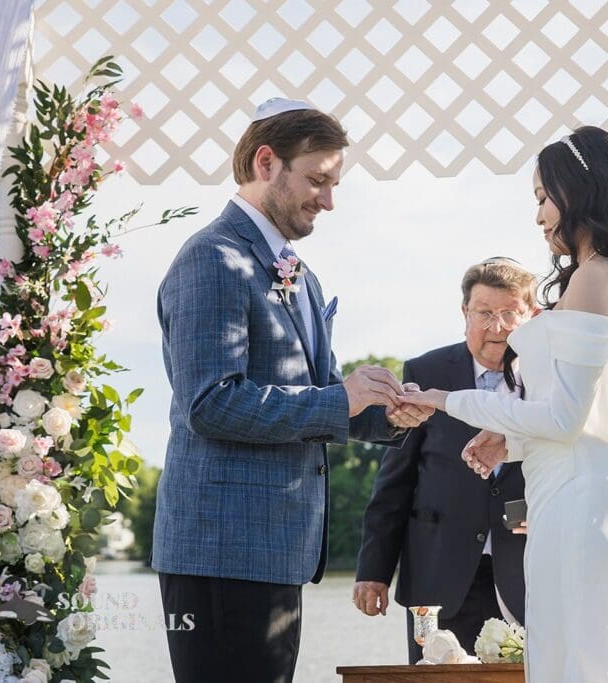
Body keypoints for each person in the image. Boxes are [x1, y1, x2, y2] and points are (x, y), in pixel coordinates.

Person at [150, 98, 433, 683]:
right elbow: (210, 403)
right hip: (222, 550)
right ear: (265, 163)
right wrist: (340, 399)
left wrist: (389, 416)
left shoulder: (298, 272)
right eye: (318, 180)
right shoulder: (213, 259)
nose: (329, 200)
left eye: (334, 184)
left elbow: (324, 396)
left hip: (274, 549)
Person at [400, 126, 608, 682]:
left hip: (584, 507)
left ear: (575, 190)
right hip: (566, 496)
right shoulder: (601, 275)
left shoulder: (596, 277)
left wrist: (444, 400)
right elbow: (575, 413)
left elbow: (563, 417)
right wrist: (513, 439)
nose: (538, 217)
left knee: (586, 667)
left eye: (541, 197)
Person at [353, 257, 537, 662]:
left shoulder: (551, 379)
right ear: (464, 313)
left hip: (529, 578)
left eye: (510, 314)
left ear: (532, 315)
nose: (497, 327)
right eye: (485, 313)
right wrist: (373, 572)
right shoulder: (426, 370)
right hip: (437, 579)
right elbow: (394, 484)